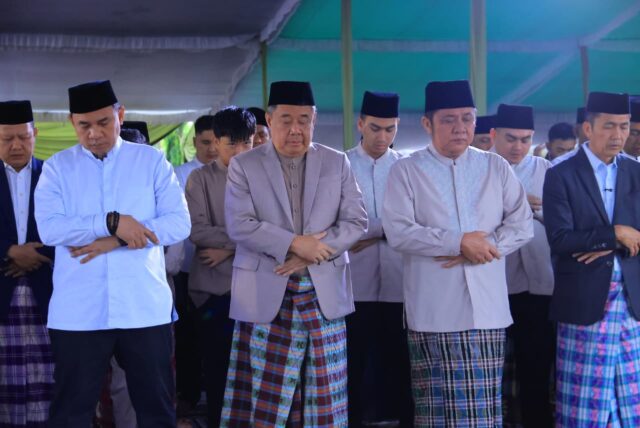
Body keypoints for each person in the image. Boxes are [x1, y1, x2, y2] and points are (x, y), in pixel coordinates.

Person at [34, 80, 191, 427]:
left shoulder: (151, 161)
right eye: (84, 125)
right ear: (72, 122)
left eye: (103, 122)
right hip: (79, 311)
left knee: (156, 410)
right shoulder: (57, 168)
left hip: (143, 308)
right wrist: (111, 222)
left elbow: (179, 224)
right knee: (71, 412)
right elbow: (51, 229)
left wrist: (117, 240)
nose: (94, 134)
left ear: (120, 115)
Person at [382, 80, 533, 427]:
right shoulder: (406, 170)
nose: (460, 127)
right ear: (427, 123)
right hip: (434, 309)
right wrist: (457, 242)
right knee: (436, 412)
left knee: (485, 412)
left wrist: (482, 249)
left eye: (467, 118)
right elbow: (399, 232)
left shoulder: (495, 167)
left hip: (488, 310)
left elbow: (522, 224)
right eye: (449, 119)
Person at [221, 81, 367, 426]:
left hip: (323, 294)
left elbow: (356, 221)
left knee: (324, 396)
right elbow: (239, 224)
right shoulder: (244, 165)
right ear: (269, 120)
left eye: (304, 120)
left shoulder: (337, 162)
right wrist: (295, 243)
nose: (296, 129)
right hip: (265, 294)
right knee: (266, 401)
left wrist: (314, 252)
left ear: (314, 121)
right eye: (286, 120)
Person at [543, 91, 640, 427]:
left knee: (631, 404)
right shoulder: (561, 173)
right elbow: (560, 239)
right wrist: (615, 234)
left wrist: (612, 240)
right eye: (609, 126)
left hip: (631, 304)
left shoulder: (636, 171)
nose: (618, 135)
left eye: (624, 126)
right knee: (585, 408)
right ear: (588, 128)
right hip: (584, 303)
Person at [345, 91, 412, 427]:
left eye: (390, 129)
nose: (382, 136)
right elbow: (339, 224)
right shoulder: (341, 164)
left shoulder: (408, 167)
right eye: (375, 128)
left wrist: (372, 231)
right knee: (353, 362)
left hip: (401, 283)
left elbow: (414, 222)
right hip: (353, 285)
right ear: (360, 124)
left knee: (401, 362)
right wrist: (389, 229)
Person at [185, 106, 255, 427]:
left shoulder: (267, 177)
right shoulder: (199, 179)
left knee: (257, 373)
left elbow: (278, 231)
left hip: (258, 290)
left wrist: (227, 249)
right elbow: (197, 231)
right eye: (231, 144)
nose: (240, 152)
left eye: (246, 143)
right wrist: (250, 238)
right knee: (218, 374)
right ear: (215, 142)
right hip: (214, 292)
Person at [491, 103, 555, 427]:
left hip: (539, 286)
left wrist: (532, 210)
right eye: (511, 138)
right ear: (494, 135)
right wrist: (517, 206)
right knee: (493, 369)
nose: (518, 146)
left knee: (536, 367)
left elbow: (561, 220)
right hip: (493, 287)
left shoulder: (546, 170)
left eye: (525, 139)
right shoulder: (482, 167)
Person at [0, 100, 55, 427]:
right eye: (7, 139)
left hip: (47, 294)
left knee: (46, 377)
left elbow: (74, 228)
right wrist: (9, 251)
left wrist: (36, 255)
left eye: (23, 137)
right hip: (3, 293)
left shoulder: (54, 176)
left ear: (35, 134)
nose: (16, 145)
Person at [172, 114, 218, 410]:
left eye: (216, 142)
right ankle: (188, 396)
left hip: (226, 269)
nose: (212, 148)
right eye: (205, 142)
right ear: (194, 141)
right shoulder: (179, 174)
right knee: (187, 335)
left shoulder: (235, 172)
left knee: (216, 339)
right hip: (187, 268)